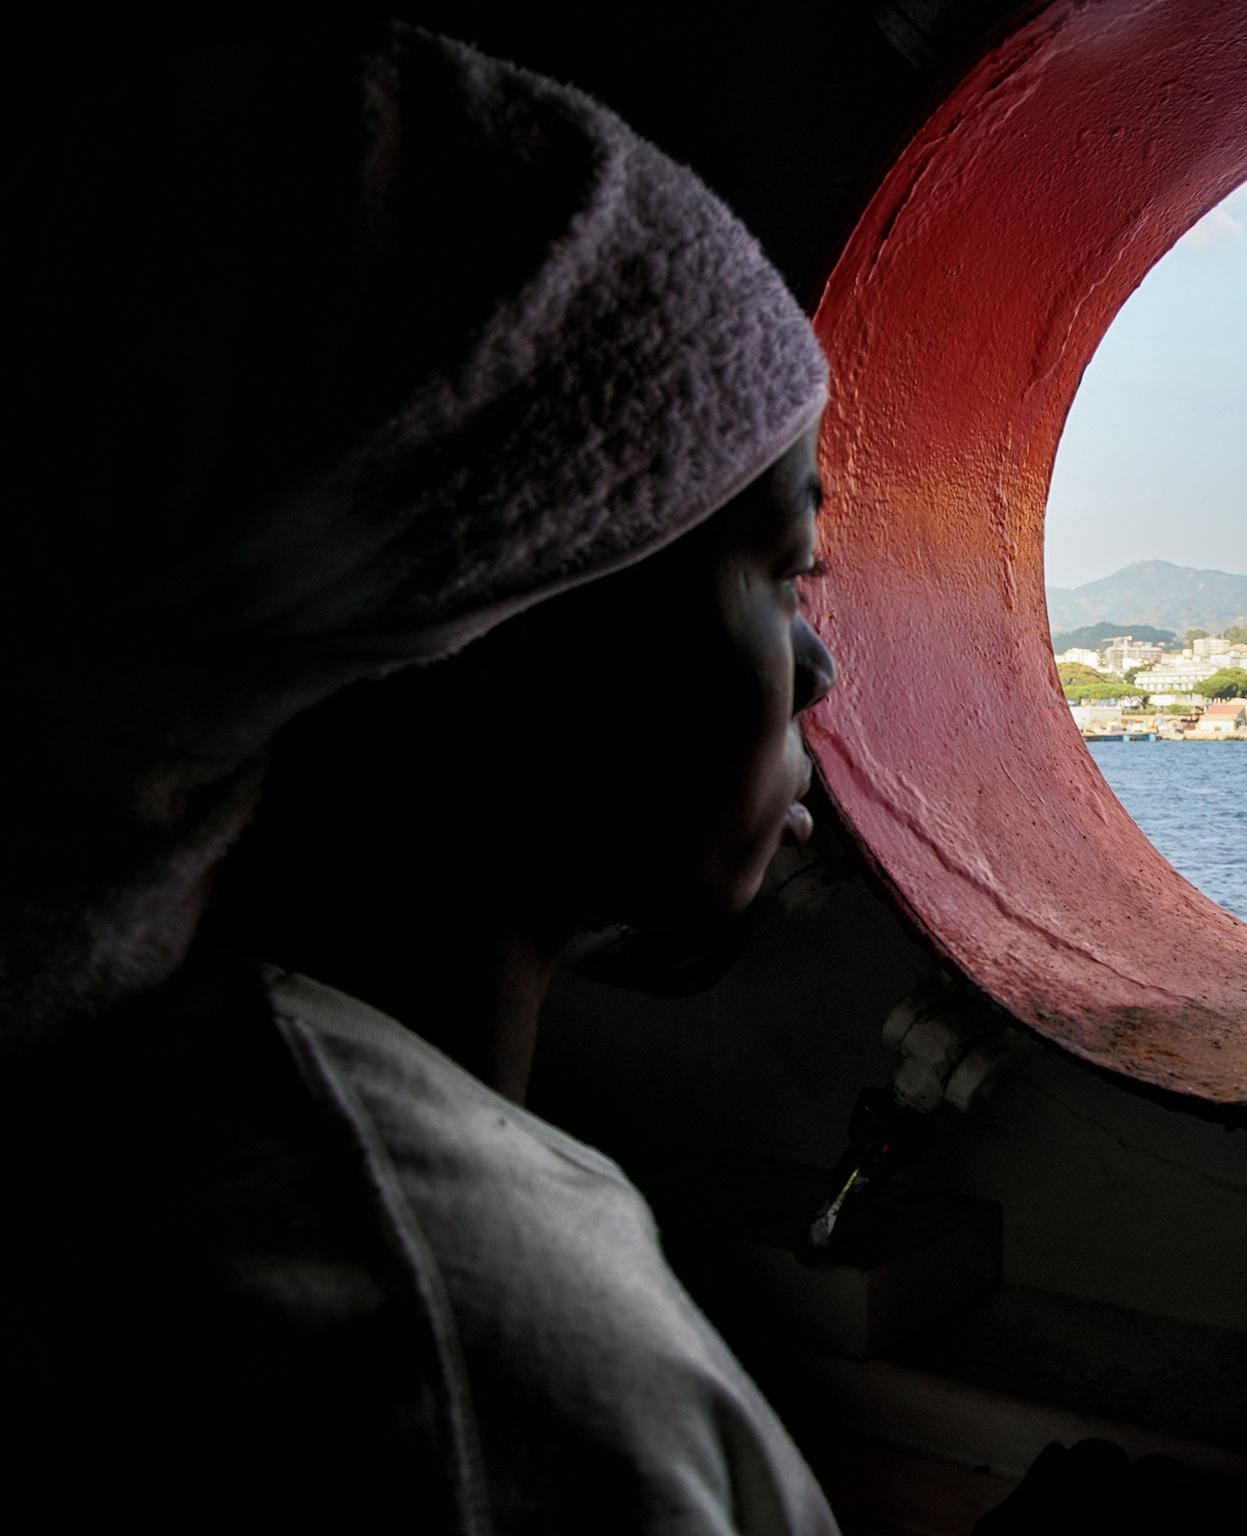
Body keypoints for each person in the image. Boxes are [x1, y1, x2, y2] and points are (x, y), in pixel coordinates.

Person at [4, 22, 839, 1533]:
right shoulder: (456, 1353)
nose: (821, 671)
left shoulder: (178, 1104)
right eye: (787, 571)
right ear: (502, 622)